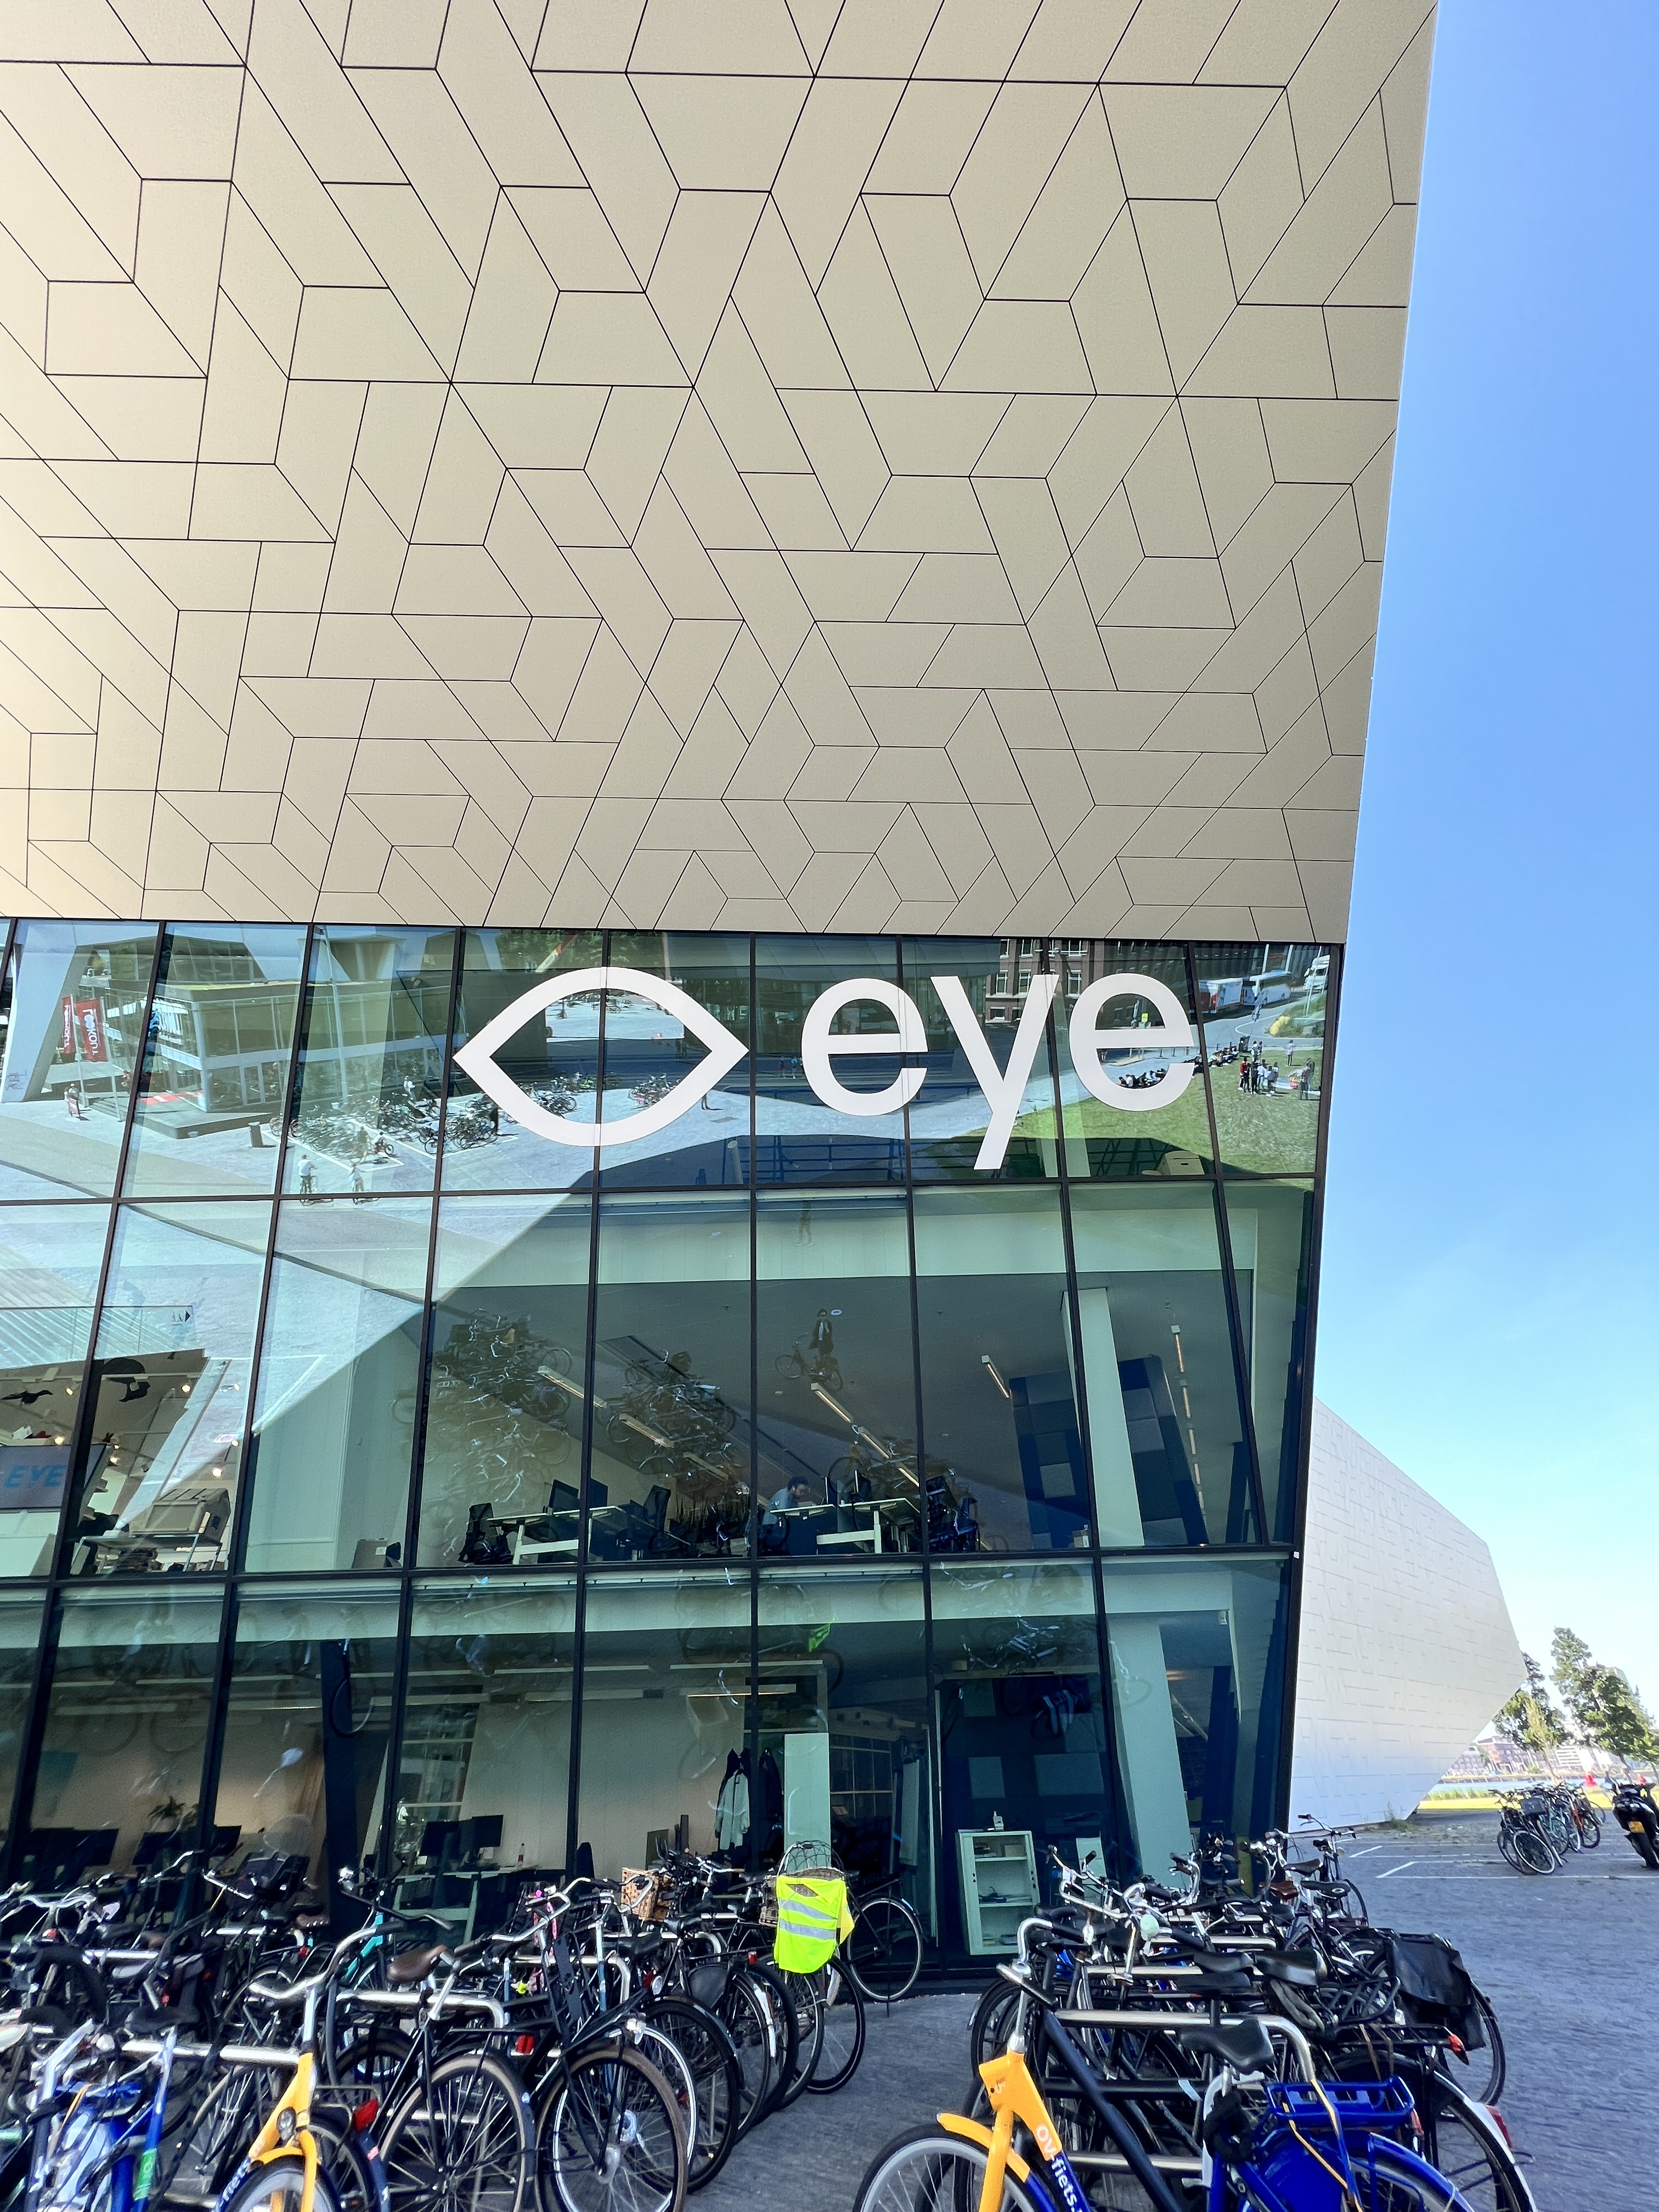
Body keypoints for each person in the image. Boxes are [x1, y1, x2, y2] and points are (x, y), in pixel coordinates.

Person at [761, 1475, 812, 1550]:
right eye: (801, 1491)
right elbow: (784, 1512)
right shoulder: (784, 1494)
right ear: (793, 1488)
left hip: (781, 1528)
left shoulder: (793, 1500)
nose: (802, 1494)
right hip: (772, 1528)